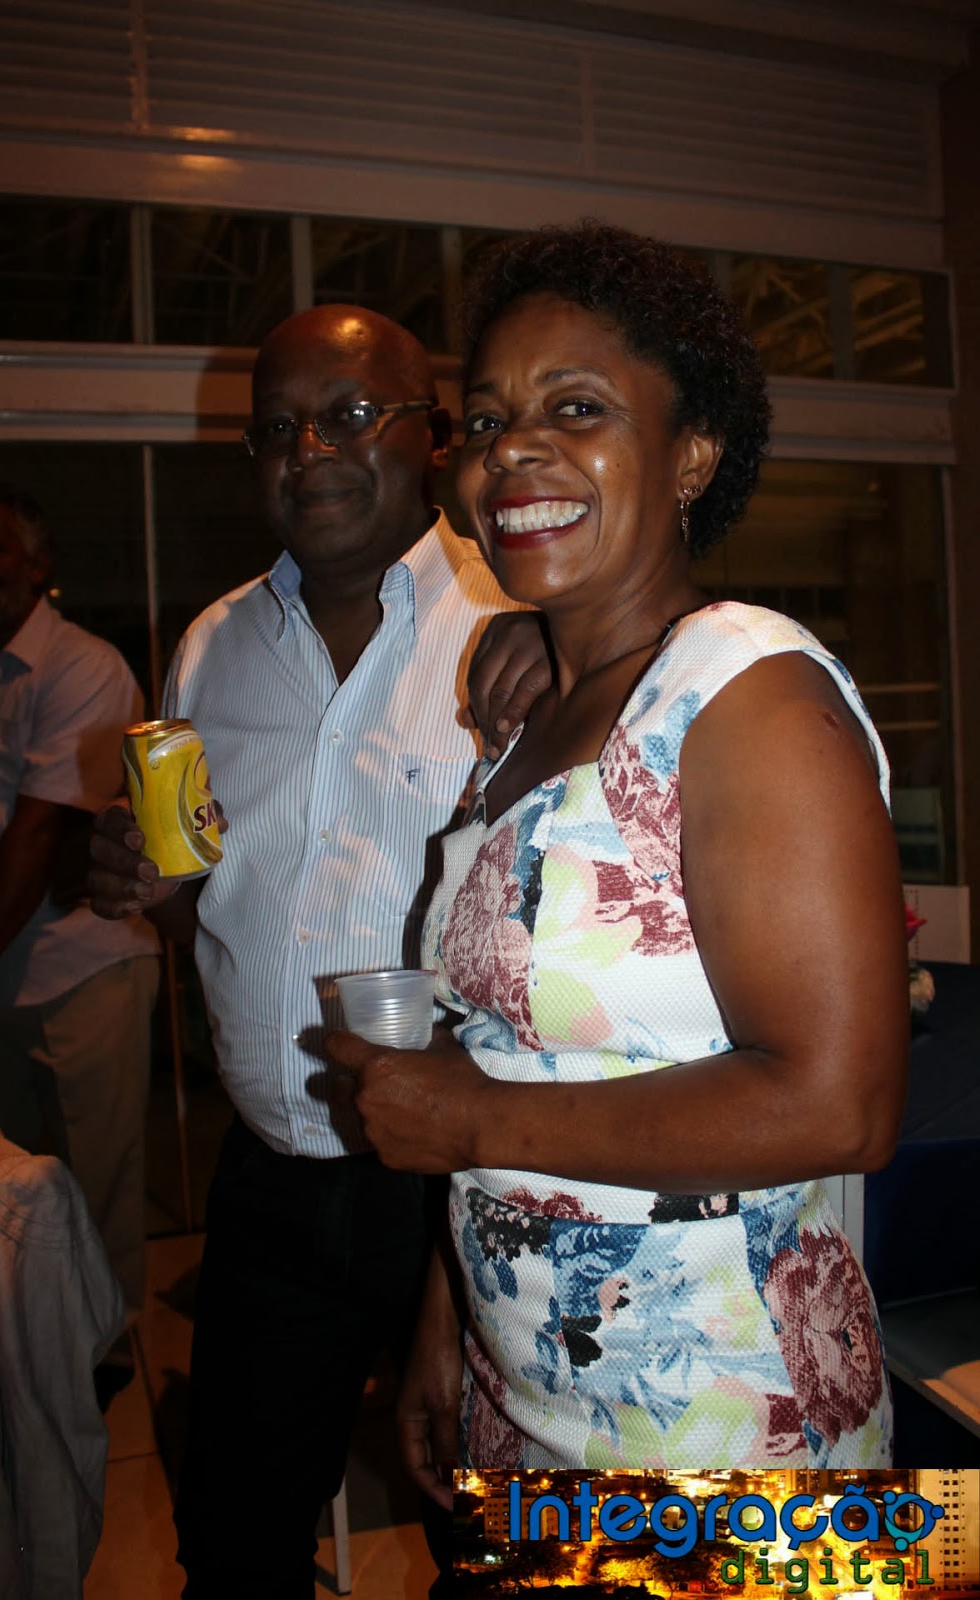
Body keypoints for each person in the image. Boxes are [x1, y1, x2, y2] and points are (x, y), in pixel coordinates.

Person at [328, 222, 911, 1479]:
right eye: (486, 421)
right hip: (525, 1397)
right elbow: (508, 1053)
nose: (510, 449)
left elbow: (841, 1104)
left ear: (690, 453)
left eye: (575, 406)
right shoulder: (526, 720)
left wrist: (462, 1118)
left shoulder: (748, 696)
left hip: (729, 1438)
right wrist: (445, 1314)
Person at [86, 303, 545, 1599]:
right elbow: (209, 899)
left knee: (495, 1547)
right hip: (271, 1179)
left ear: (431, 435)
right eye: (275, 428)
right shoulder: (212, 644)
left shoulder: (521, 627)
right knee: (232, 1544)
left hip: (460, 1190)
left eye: (347, 414)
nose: (308, 452)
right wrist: (145, 886)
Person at [0, 481, 160, 1329]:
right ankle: (25, 1351)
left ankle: (106, 1358)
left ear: (36, 564)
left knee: (95, 1186)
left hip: (80, 971)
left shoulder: (82, 665)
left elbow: (39, 834)